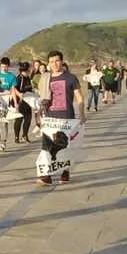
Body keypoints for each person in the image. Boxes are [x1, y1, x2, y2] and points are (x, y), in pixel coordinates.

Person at [36, 50, 85, 186]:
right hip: (49, 118)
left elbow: (79, 97)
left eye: (57, 61)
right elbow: (41, 98)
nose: (54, 64)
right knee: (47, 147)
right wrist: (39, 116)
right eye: (51, 62)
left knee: (65, 147)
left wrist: (82, 115)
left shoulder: (71, 78)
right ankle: (46, 175)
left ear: (62, 61)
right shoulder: (46, 78)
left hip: (66, 117)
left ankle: (65, 171)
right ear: (48, 63)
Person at [0, 57, 16, 152]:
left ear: (8, 66)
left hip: (6, 101)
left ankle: (3, 142)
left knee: (4, 121)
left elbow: (13, 90)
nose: (4, 68)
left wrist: (15, 103)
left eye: (6, 67)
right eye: (2, 66)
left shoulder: (12, 77)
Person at [13, 61, 34, 142]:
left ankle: (25, 135)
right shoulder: (19, 78)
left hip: (28, 102)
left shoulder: (27, 77)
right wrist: (18, 95)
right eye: (29, 69)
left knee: (28, 119)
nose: (30, 71)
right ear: (26, 70)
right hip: (20, 102)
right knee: (19, 119)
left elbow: (29, 88)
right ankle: (16, 137)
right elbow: (13, 89)